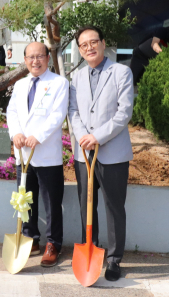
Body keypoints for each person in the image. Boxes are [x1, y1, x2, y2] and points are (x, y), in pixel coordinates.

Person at [68, 25, 134, 282]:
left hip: (113, 153)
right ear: (80, 50)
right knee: (88, 205)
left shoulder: (121, 72)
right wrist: (84, 136)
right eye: (83, 45)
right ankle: (91, 249)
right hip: (84, 153)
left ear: (103, 44)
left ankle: (115, 259)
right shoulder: (76, 77)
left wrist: (98, 136)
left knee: (114, 206)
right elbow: (72, 111)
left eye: (93, 42)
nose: (89, 47)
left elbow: (124, 112)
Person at [6, 41, 69, 267]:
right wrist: (16, 133)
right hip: (23, 152)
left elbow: (58, 114)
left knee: (52, 201)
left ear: (48, 58)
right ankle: (30, 237)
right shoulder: (21, 84)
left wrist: (38, 136)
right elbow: (12, 111)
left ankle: (53, 243)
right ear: (24, 60)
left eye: (40, 56)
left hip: (46, 152)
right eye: (31, 57)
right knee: (25, 199)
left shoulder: (59, 83)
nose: (35, 61)